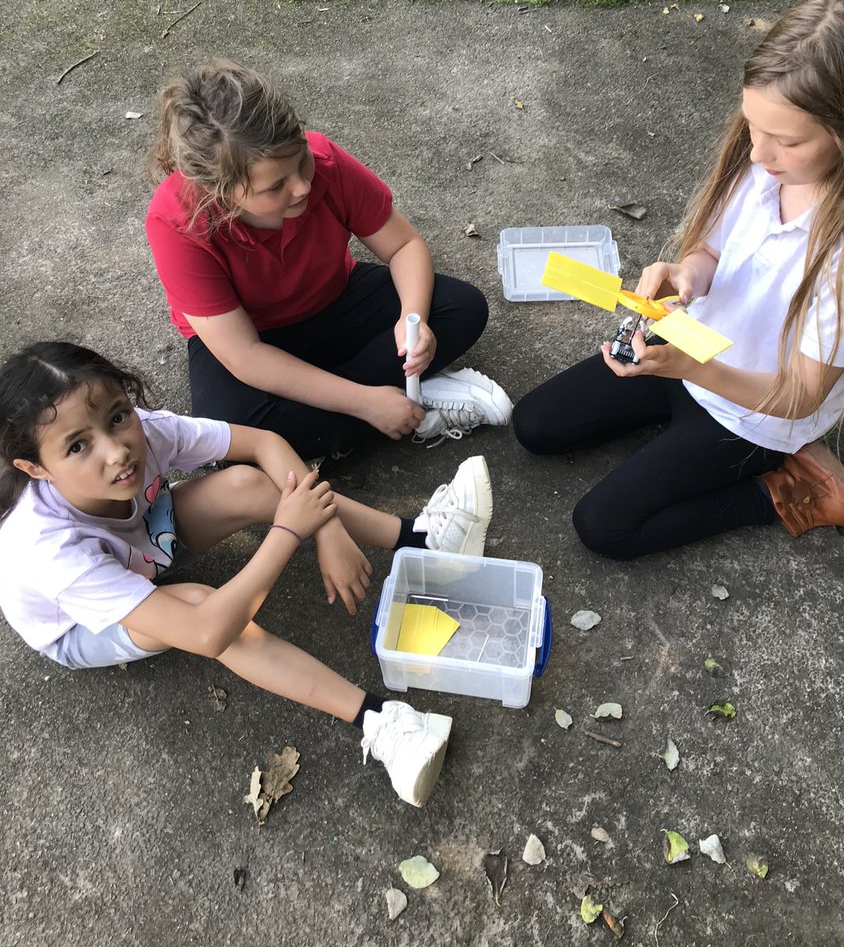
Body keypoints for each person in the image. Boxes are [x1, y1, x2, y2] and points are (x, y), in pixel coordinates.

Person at [0, 341, 496, 807]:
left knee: (248, 484)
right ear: (36, 469)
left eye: (117, 416)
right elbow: (208, 633)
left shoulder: (141, 433)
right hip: (84, 627)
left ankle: (422, 539)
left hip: (141, 537)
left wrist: (326, 530)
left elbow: (263, 443)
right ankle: (382, 722)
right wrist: (290, 530)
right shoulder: (47, 548)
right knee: (199, 604)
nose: (116, 450)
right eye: (76, 447)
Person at [514, 0, 844, 560]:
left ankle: (794, 492)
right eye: (752, 127)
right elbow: (712, 249)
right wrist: (686, 272)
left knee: (604, 527)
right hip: (691, 346)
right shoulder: (765, 166)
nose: (757, 154)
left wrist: (693, 367)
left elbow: (796, 395)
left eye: (787, 141)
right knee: (535, 425)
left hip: (756, 411)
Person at [145, 60, 512, 458]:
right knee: (226, 432)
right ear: (217, 190)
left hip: (332, 301)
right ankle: (409, 400)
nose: (303, 186)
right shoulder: (177, 222)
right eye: (276, 187)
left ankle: (337, 419)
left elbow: (404, 246)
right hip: (251, 336)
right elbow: (245, 356)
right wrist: (364, 402)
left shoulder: (325, 162)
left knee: (462, 307)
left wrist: (415, 320)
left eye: (301, 161)